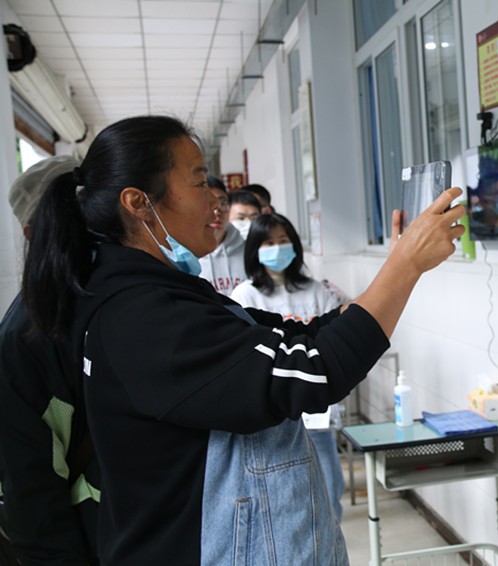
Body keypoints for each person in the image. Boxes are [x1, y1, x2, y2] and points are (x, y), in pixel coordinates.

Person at [21, 115, 464, 565]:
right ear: (139, 203)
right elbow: (313, 371)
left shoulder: (164, 294)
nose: (216, 200)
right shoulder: (139, 317)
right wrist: (404, 267)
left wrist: (398, 263)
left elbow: (301, 337)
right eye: (199, 182)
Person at [0, 156, 100, 565]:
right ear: (31, 232)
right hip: (92, 539)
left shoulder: (125, 296)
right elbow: (32, 486)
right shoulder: (26, 336)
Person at [231, 213, 348, 519]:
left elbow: (332, 340)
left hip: (316, 412)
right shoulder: (245, 295)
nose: (277, 248)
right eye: (268, 243)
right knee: (285, 497)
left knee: (330, 486)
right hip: (275, 414)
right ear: (255, 249)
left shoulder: (315, 290)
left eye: (283, 241)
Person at [198, 175, 246, 295]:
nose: (216, 212)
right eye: (209, 204)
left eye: (222, 203)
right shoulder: (189, 256)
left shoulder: (247, 250)